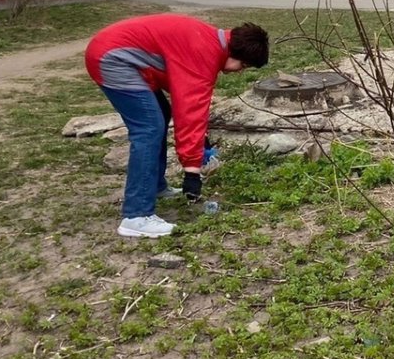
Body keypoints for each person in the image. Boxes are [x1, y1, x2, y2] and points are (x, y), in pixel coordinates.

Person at [85, 14, 270, 238]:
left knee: (159, 116)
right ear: (235, 52)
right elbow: (190, 109)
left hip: (120, 53)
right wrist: (192, 172)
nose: (240, 70)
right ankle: (136, 216)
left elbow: (188, 101)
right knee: (149, 128)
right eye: (243, 65)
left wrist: (201, 137)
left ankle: (155, 187)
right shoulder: (204, 53)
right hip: (114, 59)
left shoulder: (209, 41)